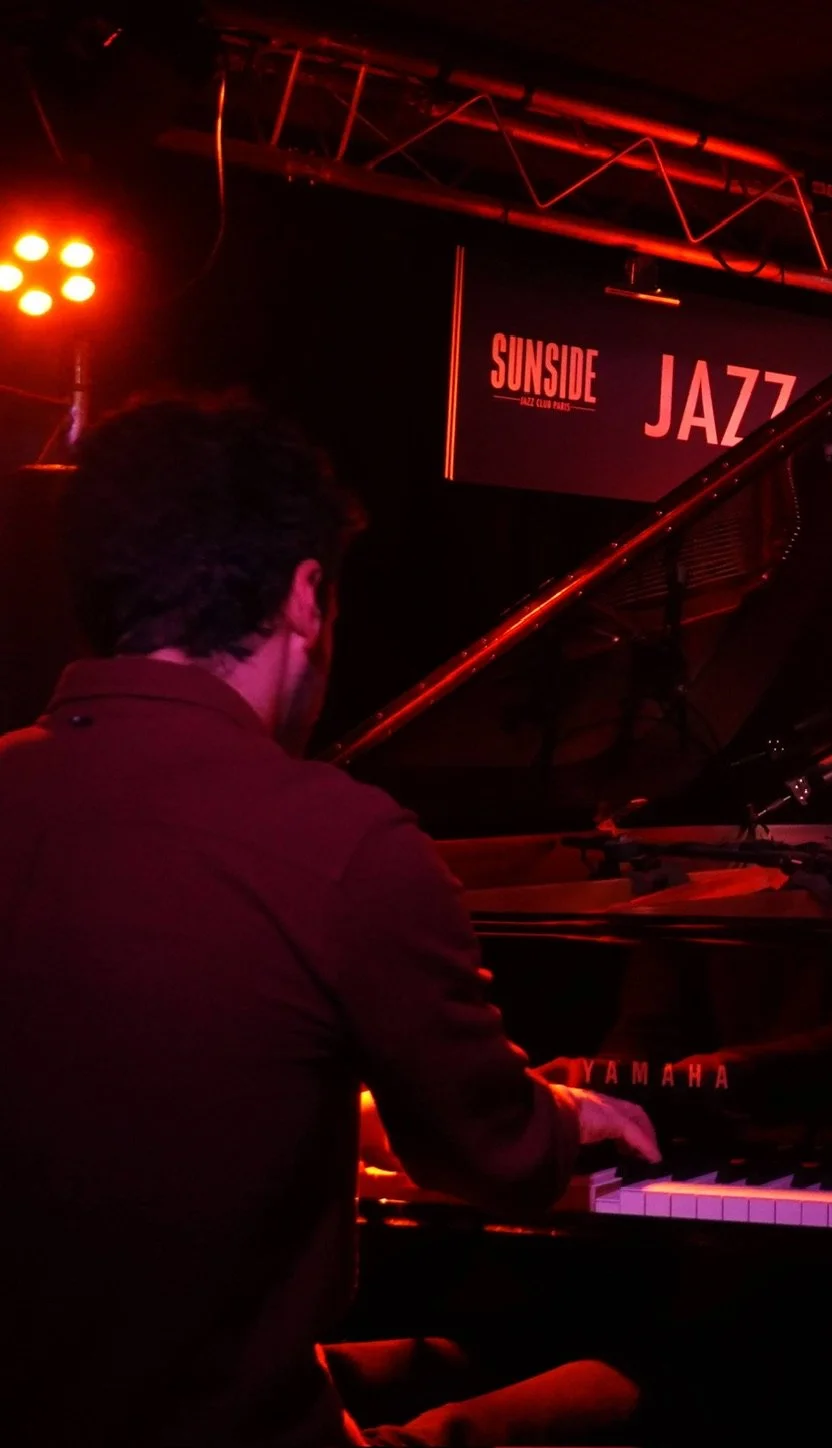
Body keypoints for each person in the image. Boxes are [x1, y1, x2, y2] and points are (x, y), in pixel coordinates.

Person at [0, 397, 659, 1448]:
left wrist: (345, 1115)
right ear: (307, 597)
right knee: (608, 1392)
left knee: (449, 1359)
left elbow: (113, 1071)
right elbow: (488, 1156)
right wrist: (567, 1116)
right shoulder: (343, 843)